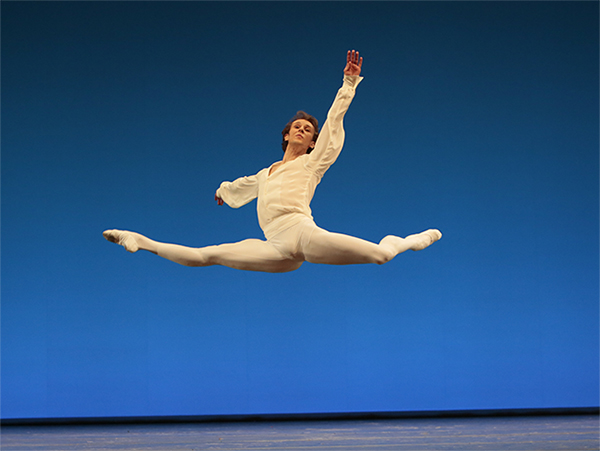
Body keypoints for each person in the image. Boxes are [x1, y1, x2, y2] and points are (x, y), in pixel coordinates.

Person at [103, 50, 441, 272]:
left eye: (308, 130)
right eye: (297, 126)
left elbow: (334, 122)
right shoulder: (266, 174)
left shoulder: (312, 163)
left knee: (381, 255)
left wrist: (348, 83)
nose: (302, 131)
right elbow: (240, 187)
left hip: (302, 232)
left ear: (312, 143)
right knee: (206, 256)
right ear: (286, 135)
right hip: (275, 245)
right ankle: (137, 239)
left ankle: (408, 241)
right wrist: (223, 191)